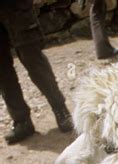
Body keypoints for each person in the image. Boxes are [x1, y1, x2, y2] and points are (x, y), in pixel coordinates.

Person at [0, 0, 73, 144]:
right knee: (2, 70)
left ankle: (60, 109)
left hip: (15, 8)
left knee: (33, 59)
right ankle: (22, 121)